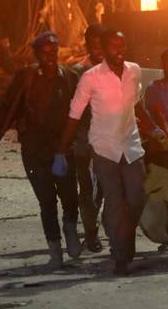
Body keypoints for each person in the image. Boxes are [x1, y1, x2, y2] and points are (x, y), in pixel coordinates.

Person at [56, 29, 157, 275]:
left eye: (122, 45)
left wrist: (153, 127)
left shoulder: (134, 71)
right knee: (114, 199)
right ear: (103, 48)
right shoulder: (91, 77)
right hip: (104, 147)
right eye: (113, 45)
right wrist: (61, 150)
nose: (119, 50)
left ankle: (119, 234)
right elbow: (74, 115)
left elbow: (135, 104)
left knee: (137, 197)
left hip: (131, 145)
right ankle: (121, 255)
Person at [0, 32, 81, 268]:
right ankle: (55, 251)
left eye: (54, 52)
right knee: (47, 201)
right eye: (45, 53)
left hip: (62, 150)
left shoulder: (70, 78)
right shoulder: (25, 78)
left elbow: (82, 112)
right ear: (36, 54)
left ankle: (70, 229)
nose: (50, 57)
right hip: (35, 150)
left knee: (70, 196)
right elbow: (9, 108)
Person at [70, 24, 105, 253]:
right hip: (84, 138)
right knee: (87, 186)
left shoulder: (117, 70)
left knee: (101, 187)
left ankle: (94, 228)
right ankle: (91, 233)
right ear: (87, 45)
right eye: (95, 45)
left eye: (103, 45)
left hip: (108, 139)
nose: (99, 49)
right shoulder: (78, 72)